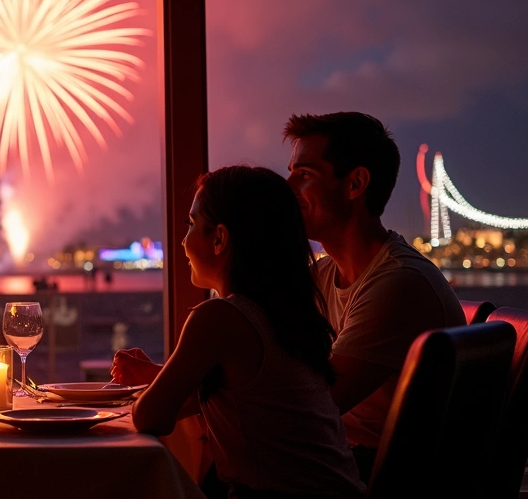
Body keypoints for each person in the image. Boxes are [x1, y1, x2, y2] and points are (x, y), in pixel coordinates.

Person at [127, 167, 364, 498]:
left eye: (192, 225)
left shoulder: (220, 317)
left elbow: (149, 417)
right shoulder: (287, 315)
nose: (183, 242)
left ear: (220, 238)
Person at [283, 112, 463, 480]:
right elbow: (270, 353)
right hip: (343, 455)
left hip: (373, 474)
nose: (287, 187)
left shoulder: (399, 284)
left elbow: (313, 404)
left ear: (355, 184)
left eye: (304, 175)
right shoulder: (326, 273)